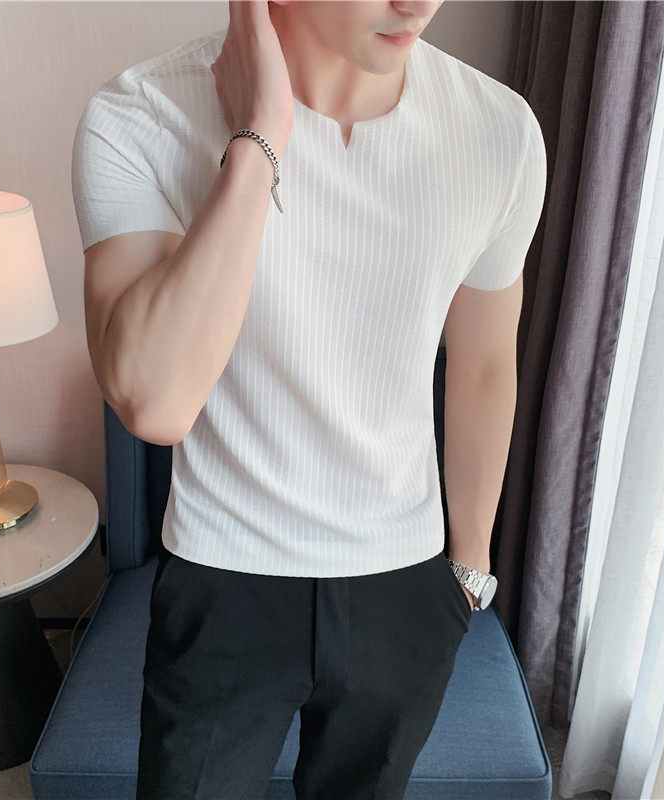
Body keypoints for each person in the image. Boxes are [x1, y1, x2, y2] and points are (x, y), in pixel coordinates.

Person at [71, 1, 547, 797]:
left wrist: (469, 568)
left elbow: (485, 362)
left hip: (407, 581)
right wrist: (259, 142)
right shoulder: (140, 116)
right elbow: (155, 402)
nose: (418, 4)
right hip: (225, 572)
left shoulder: (499, 132)